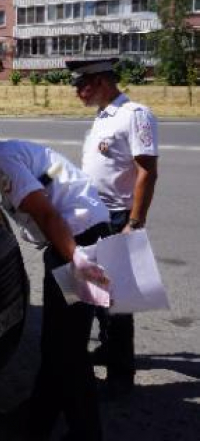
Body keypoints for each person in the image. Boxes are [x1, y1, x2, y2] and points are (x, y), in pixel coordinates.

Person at [0, 118, 111, 441]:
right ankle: (36, 420)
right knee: (57, 344)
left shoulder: (1, 161)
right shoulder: (14, 149)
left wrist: (75, 258)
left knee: (69, 353)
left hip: (73, 243)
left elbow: (46, 214)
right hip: (83, 235)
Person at [67, 58, 159, 397]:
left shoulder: (134, 115)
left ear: (103, 81)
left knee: (118, 303)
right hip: (94, 217)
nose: (77, 92)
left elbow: (147, 171)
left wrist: (135, 222)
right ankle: (107, 349)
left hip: (119, 218)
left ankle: (121, 378)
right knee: (98, 293)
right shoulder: (103, 116)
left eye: (82, 85)